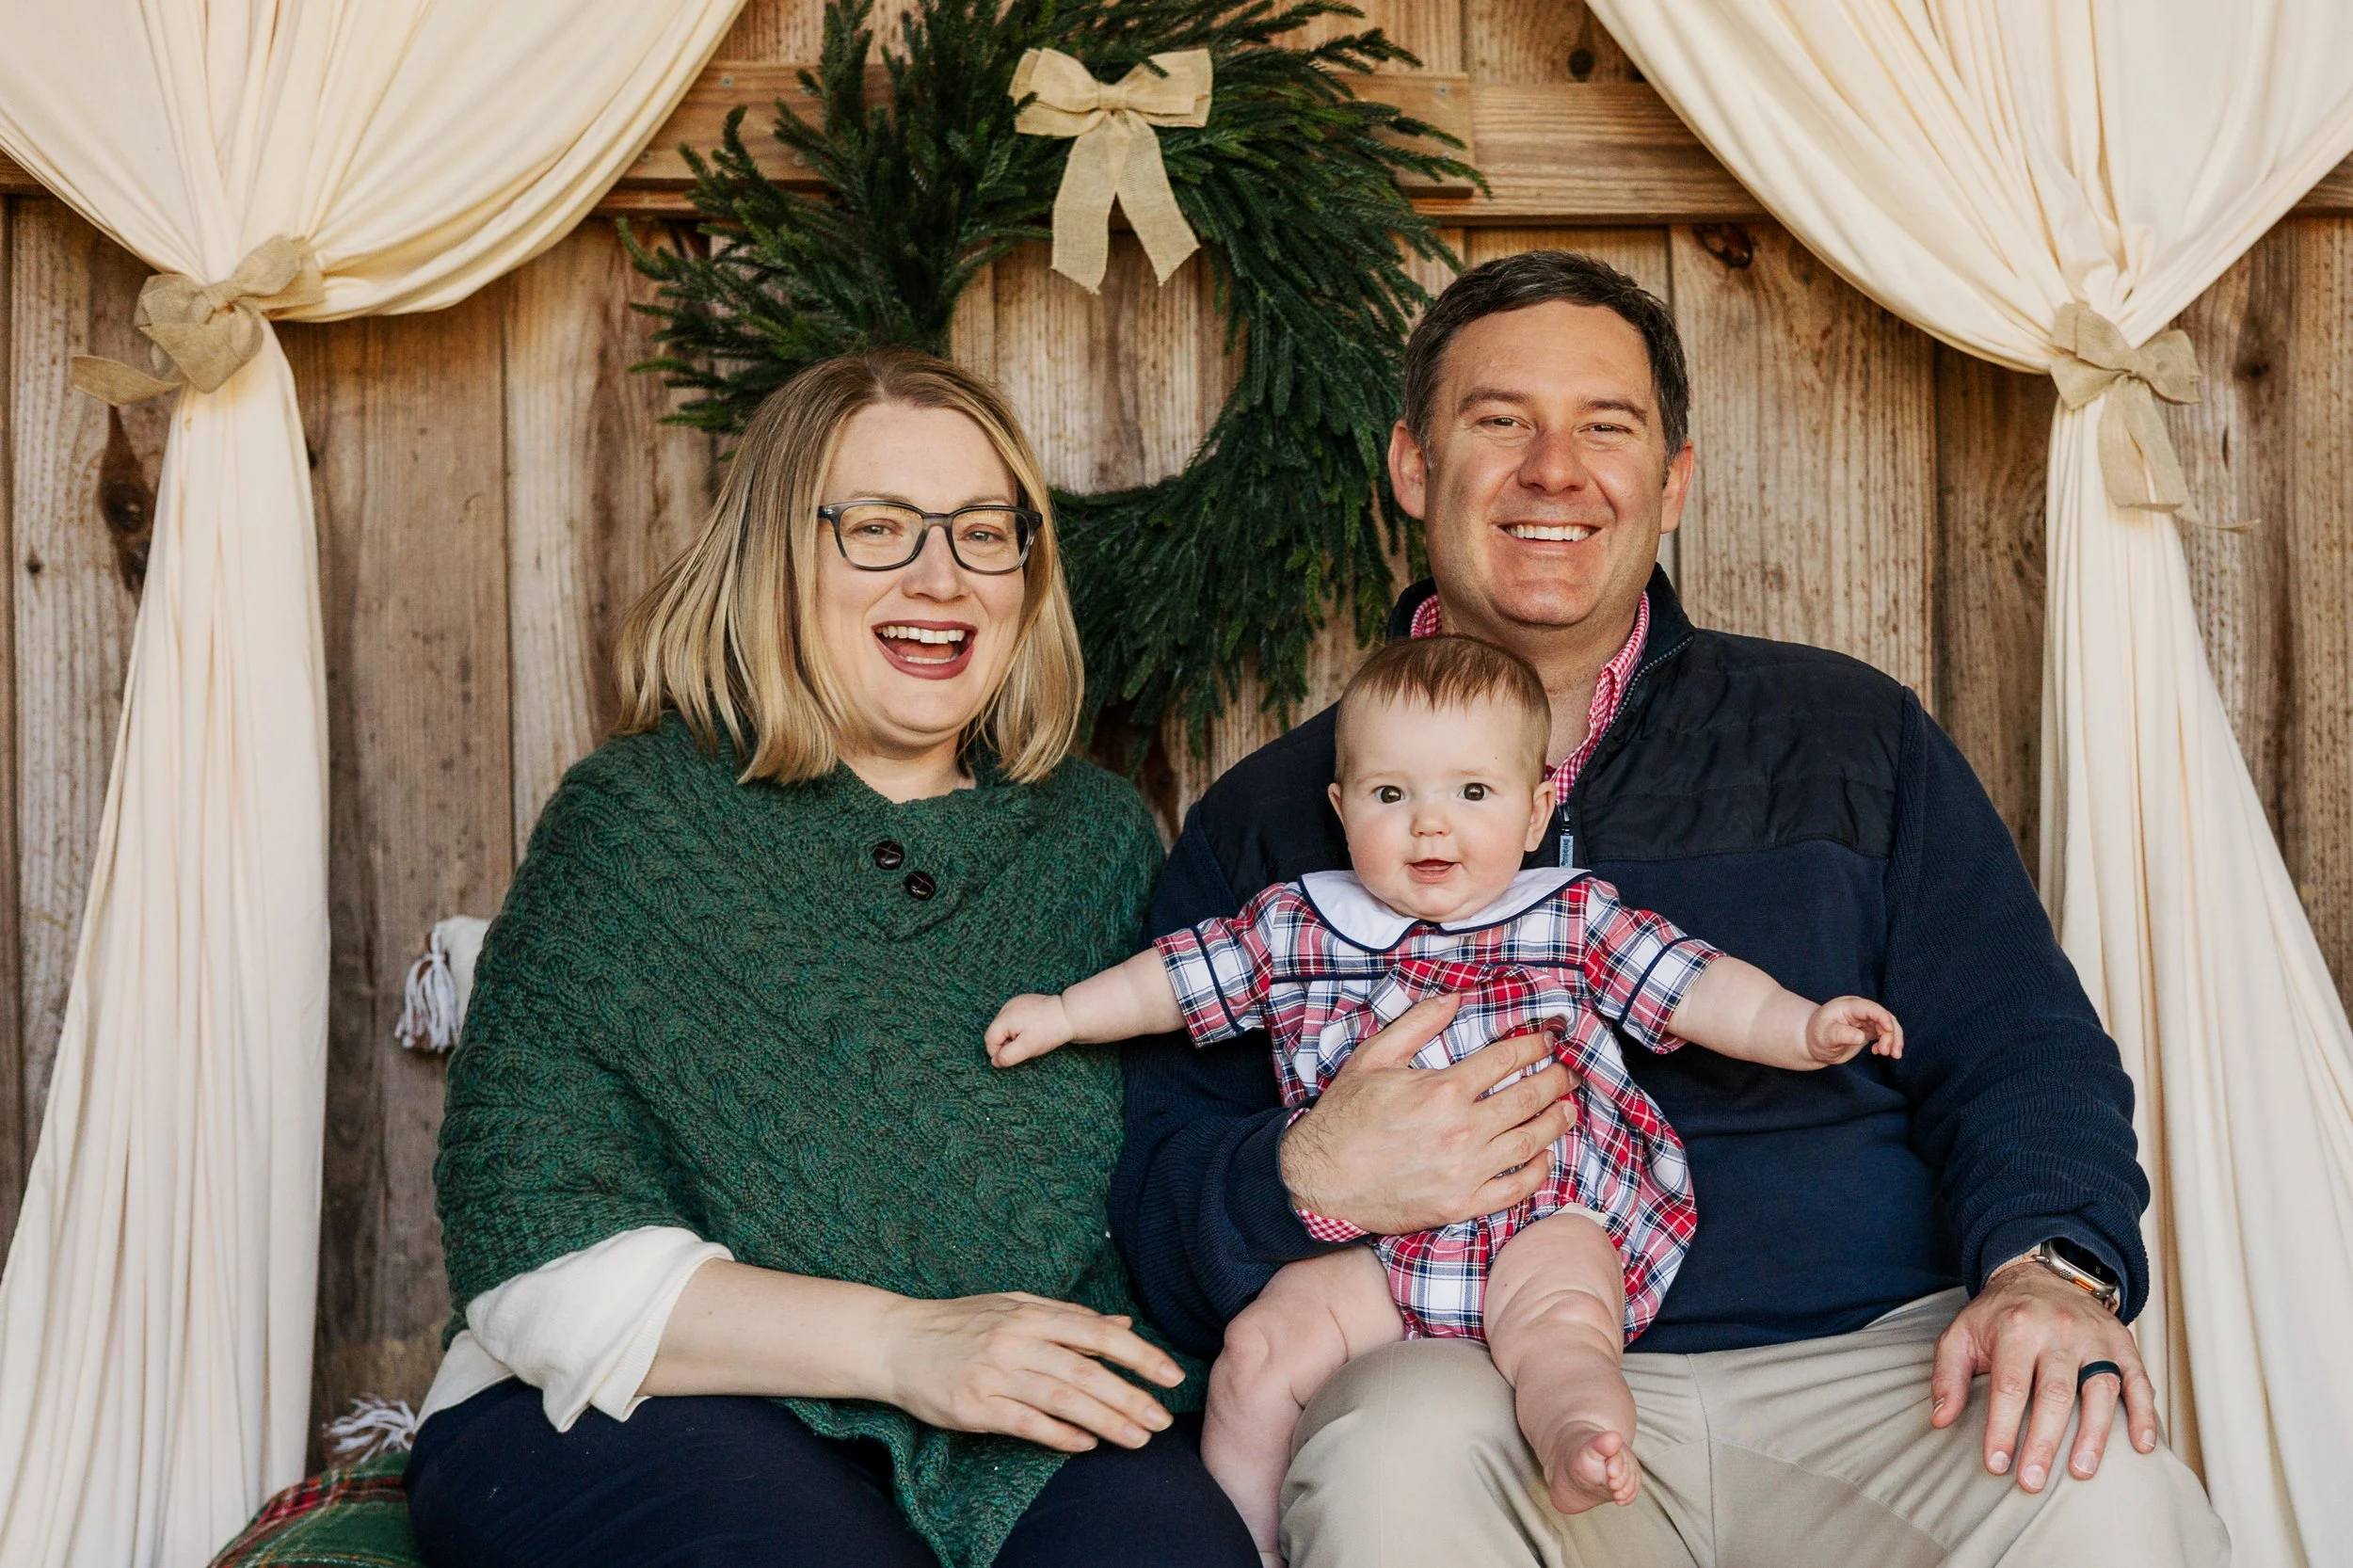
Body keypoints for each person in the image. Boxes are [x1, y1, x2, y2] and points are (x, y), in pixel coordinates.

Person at [1110, 250, 2230, 1566]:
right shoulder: (1273, 816)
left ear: (1675, 482)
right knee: (1384, 1467)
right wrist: (1303, 1176)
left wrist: (2049, 1265)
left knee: (2108, 1483)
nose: (1554, 469)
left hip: (1869, 1367)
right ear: (1413, 469)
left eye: (1608, 427)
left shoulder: (1848, 736)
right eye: (1500, 421)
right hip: (1464, 1365)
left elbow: (2021, 1046)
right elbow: (1155, 1184)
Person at [401, 348, 1257, 1568]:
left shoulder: (1099, 838)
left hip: (1016, 1412)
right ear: (774, 558)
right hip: (650, 1392)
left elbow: (1159, 1180)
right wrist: (908, 1344)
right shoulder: (642, 819)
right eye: (877, 527)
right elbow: (528, 1236)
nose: (942, 576)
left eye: (983, 530)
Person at [989, 633, 1902, 1562]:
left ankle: (1578, 1438)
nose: (1431, 825)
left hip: (1541, 1211)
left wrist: (1802, 1027)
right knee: (1260, 1352)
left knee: (1560, 1332)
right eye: (1393, 795)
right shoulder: (1299, 926)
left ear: (1536, 806)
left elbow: (1698, 986)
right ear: (1342, 807)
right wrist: (1067, 1011)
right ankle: (1246, 1544)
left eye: (1473, 793)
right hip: (1379, 1244)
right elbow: (1175, 981)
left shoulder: (1568, 917)